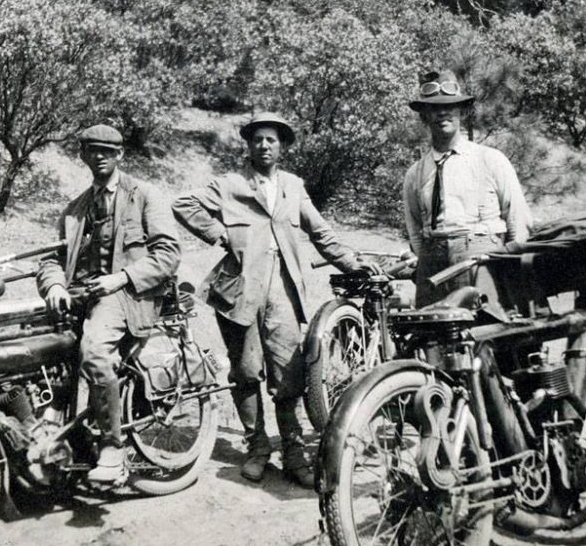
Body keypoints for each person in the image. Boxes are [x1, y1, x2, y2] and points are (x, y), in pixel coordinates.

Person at [172, 112, 378, 488]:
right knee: (246, 371)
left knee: (289, 372)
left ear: (282, 147)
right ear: (248, 146)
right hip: (237, 289)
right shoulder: (229, 183)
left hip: (282, 289)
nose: (264, 145)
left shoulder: (294, 187)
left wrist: (352, 262)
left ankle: (294, 452)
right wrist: (220, 234)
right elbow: (183, 204)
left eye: (272, 140)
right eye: (258, 139)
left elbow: (322, 233)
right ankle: (256, 448)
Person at [37, 124, 181, 483]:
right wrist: (54, 285)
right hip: (82, 295)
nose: (99, 156)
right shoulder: (76, 210)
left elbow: (168, 254)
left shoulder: (146, 196)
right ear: (82, 156)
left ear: (120, 155)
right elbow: (50, 259)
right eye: (91, 150)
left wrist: (121, 277)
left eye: (107, 150)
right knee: (35, 347)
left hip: (129, 294)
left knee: (95, 351)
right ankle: (48, 427)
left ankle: (112, 448)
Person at [403, 69, 533, 307]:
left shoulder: (491, 160)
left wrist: (513, 268)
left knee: (486, 334)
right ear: (424, 117)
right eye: (433, 108)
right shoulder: (415, 174)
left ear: (461, 111)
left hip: (482, 261)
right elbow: (416, 234)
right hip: (433, 268)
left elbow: (518, 220)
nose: (442, 112)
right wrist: (427, 262)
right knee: (429, 336)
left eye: (450, 106)